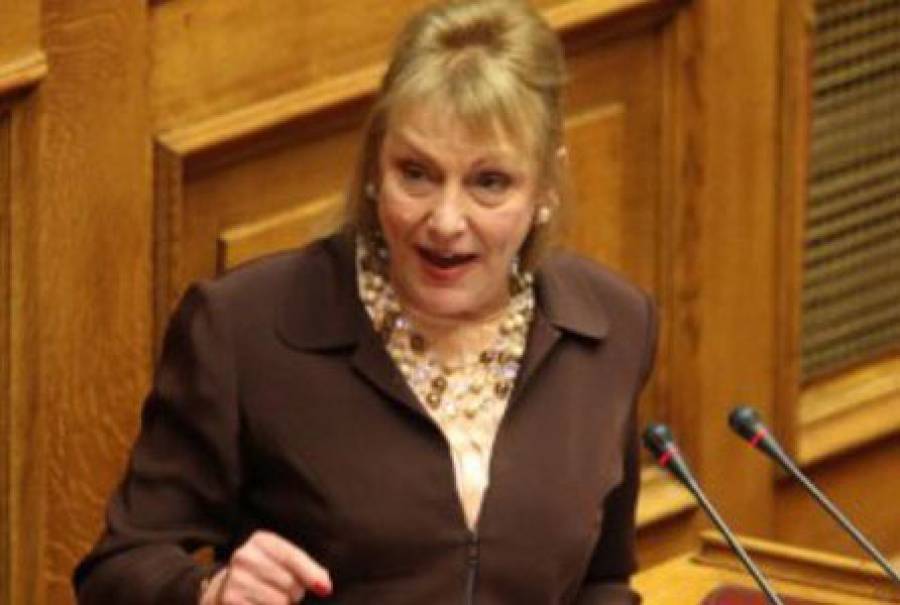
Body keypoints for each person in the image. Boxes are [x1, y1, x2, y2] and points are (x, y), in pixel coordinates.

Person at [73, 0, 656, 603]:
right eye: (417, 173)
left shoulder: (612, 327)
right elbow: (118, 569)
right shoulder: (243, 329)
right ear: (376, 165)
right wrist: (209, 592)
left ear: (546, 185)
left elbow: (602, 579)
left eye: (489, 183)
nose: (445, 221)